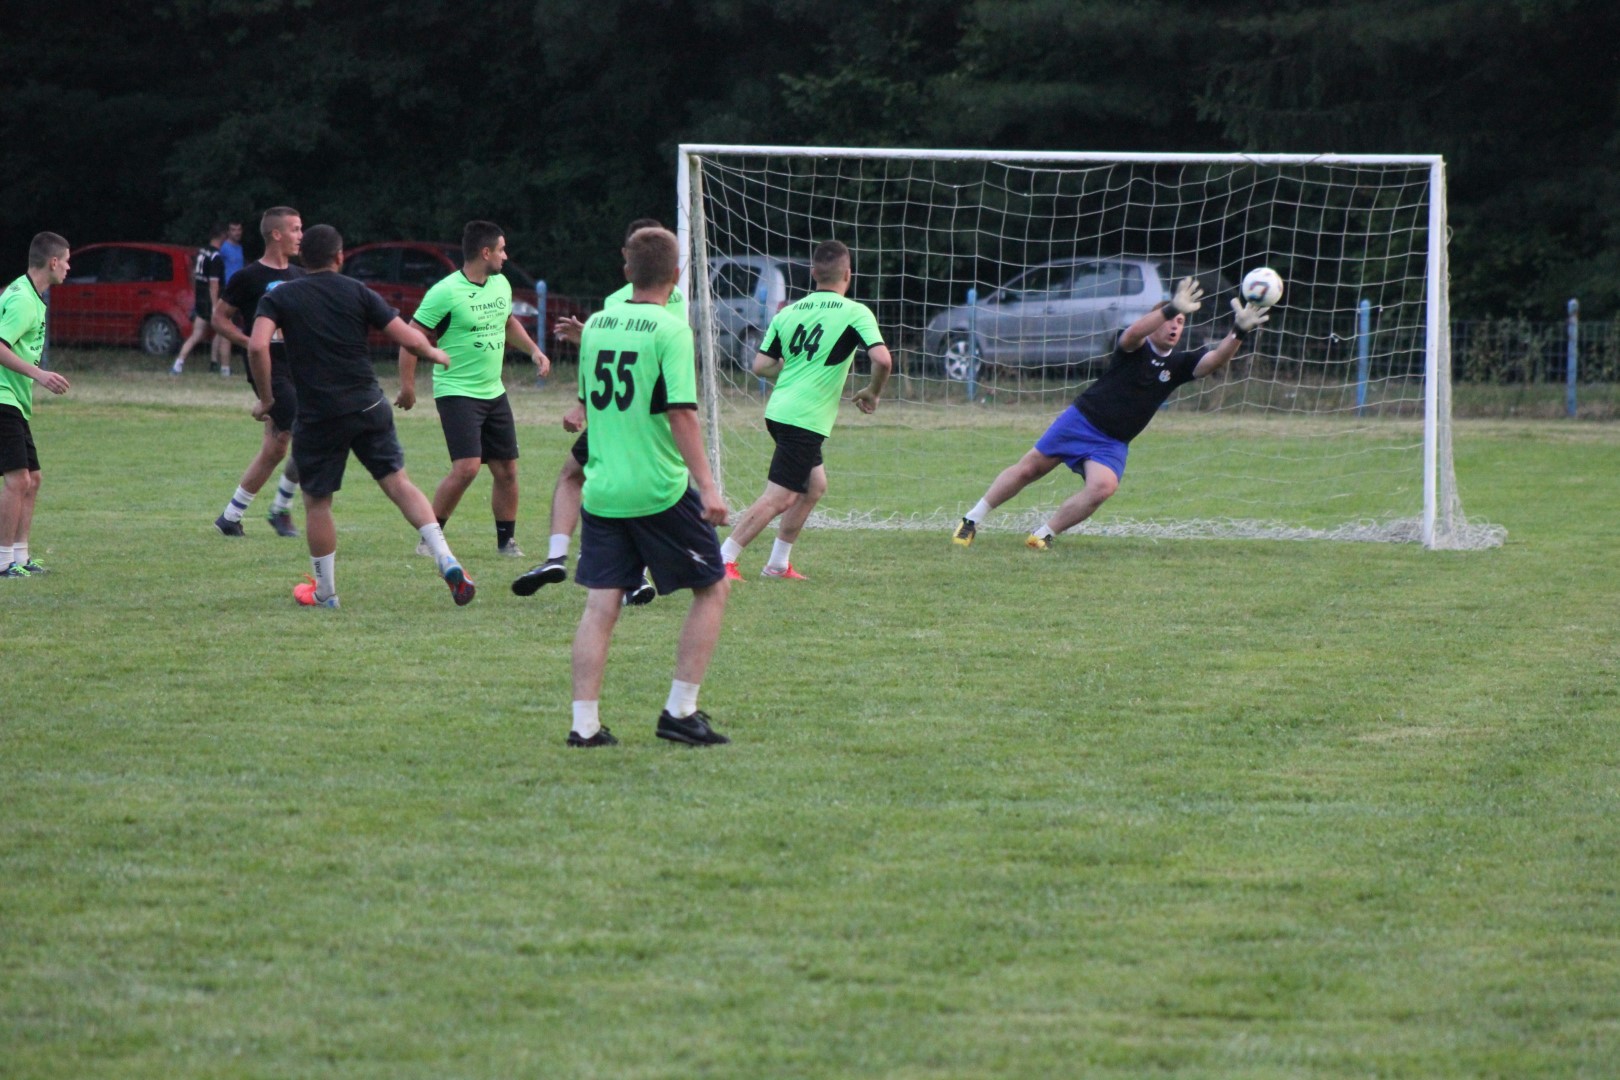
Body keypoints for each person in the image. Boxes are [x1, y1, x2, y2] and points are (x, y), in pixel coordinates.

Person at [247, 224, 474, 608]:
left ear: (302, 257)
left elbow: (256, 346)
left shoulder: (280, 295)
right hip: (368, 405)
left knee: (318, 502)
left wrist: (267, 399)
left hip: (319, 415)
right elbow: (408, 336)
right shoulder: (358, 291)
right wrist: (434, 353)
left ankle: (326, 592)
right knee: (399, 483)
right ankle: (445, 558)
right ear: (339, 257)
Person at [565, 226, 730, 748]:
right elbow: (681, 413)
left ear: (627, 270)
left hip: (602, 490)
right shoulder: (671, 330)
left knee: (600, 606)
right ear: (676, 275)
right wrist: (708, 486)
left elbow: (591, 402)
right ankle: (680, 711)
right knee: (713, 588)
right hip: (657, 490)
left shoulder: (597, 324)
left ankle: (584, 726)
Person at [950, 279, 1269, 549]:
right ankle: (971, 520)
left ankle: (1043, 534)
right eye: (1170, 319)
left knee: (1103, 487)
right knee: (1029, 469)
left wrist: (1238, 332)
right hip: (1082, 420)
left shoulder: (1179, 364)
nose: (1174, 325)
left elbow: (1215, 360)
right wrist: (1171, 307)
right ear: (1156, 320)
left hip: (1112, 443)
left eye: (1181, 321)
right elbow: (1132, 334)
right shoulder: (1134, 346)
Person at [510, 217, 679, 604]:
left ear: (627, 260)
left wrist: (584, 400)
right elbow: (643, 351)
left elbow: (617, 351)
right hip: (653, 415)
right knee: (627, 485)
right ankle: (635, 577)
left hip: (616, 414)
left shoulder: (615, 305)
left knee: (585, 480)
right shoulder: (677, 299)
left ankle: (563, 557)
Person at [718, 239, 892, 581]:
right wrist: (872, 392)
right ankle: (723, 560)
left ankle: (777, 564)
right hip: (804, 418)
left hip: (780, 410)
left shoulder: (788, 312)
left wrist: (793, 367)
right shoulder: (855, 312)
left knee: (814, 486)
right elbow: (883, 360)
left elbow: (760, 365)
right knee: (780, 496)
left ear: (813, 274)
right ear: (848, 274)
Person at [395, 220, 550, 560]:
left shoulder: (501, 284)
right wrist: (407, 387)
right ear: (485, 252)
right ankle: (430, 538)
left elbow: (508, 322)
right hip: (457, 391)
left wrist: (534, 351)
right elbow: (410, 339)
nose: (505, 256)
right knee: (467, 467)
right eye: (501, 250)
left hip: (493, 391)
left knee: (507, 470)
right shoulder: (445, 292)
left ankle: (506, 542)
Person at [210, 206, 306, 538]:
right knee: (312, 434)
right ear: (276, 234)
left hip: (299, 369)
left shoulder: (301, 275)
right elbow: (219, 318)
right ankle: (280, 509)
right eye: (295, 229)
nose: (301, 236)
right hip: (269, 369)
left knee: (277, 446)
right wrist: (248, 340)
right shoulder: (248, 277)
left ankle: (230, 516)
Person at [0, 232, 73, 578]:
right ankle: (3, 562)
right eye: (67, 261)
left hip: (14, 399)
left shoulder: (29, 294)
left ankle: (20, 556)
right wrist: (39, 374)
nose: (69, 268)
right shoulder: (23, 301)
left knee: (34, 479)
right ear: (53, 262)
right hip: (2, 397)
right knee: (17, 480)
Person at [171, 223, 228, 375]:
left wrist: (197, 293)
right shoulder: (215, 257)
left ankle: (178, 364)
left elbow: (194, 275)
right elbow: (214, 283)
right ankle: (225, 369)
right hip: (211, 300)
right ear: (222, 236)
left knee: (197, 334)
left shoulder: (201, 252)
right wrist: (215, 305)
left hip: (201, 298)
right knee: (225, 333)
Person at [215, 220, 245, 376]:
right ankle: (224, 367)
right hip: (228, 291)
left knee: (222, 328)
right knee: (226, 326)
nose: (237, 233)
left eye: (239, 229)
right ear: (228, 232)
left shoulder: (239, 248)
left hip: (239, 290)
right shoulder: (224, 249)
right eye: (233, 230)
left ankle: (215, 362)